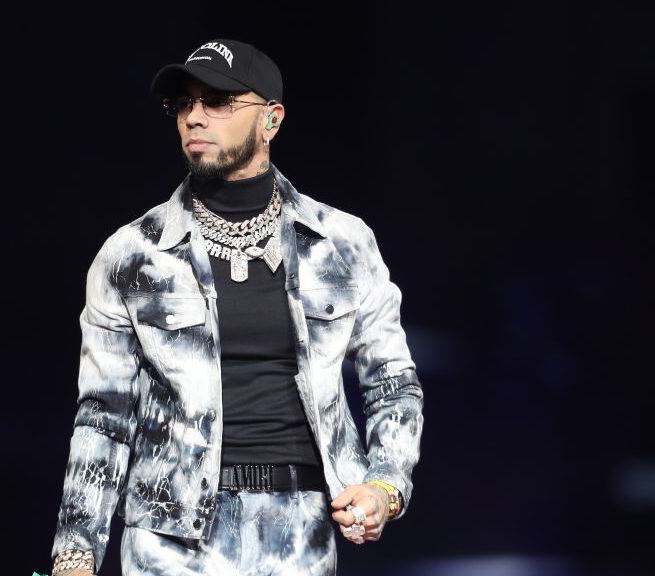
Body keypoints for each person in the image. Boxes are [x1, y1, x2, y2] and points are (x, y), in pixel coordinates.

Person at [50, 39, 424, 576]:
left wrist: (385, 485)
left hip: (302, 531)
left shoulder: (342, 243)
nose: (194, 117)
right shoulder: (133, 255)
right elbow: (104, 416)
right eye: (183, 104)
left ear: (270, 121)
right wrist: (75, 555)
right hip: (169, 539)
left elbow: (392, 380)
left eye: (219, 101)